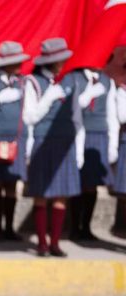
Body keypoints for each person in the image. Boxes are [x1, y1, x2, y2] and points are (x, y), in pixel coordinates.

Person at [22, 38, 101, 257]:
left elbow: (77, 116)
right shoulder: (33, 82)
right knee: (41, 194)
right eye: (60, 60)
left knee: (61, 195)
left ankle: (55, 242)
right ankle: (41, 244)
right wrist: (48, 97)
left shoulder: (72, 79)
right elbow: (30, 117)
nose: (63, 63)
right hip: (42, 142)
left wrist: (79, 146)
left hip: (66, 141)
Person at [67, 63, 118, 240]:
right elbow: (74, 105)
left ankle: (86, 226)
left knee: (92, 184)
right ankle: (74, 227)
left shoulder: (107, 81)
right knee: (77, 182)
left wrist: (112, 144)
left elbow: (112, 114)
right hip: (78, 133)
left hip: (99, 135)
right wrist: (89, 93)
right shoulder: (75, 78)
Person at [0, 41, 30, 242]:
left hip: (17, 139)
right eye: (15, 61)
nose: (19, 65)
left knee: (12, 184)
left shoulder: (24, 82)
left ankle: (10, 228)